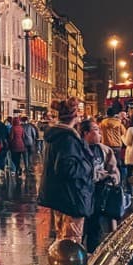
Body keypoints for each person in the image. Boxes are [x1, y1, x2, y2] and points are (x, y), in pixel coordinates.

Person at [38, 98, 94, 243]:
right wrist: (88, 165)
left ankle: (60, 264)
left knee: (62, 237)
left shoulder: (57, 135)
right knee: (71, 241)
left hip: (60, 195)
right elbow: (67, 168)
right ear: (75, 116)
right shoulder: (67, 139)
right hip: (71, 197)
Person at [81, 118, 120, 252]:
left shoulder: (105, 150)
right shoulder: (79, 151)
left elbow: (114, 170)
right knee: (80, 231)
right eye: (96, 130)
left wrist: (113, 177)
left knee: (95, 231)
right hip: (82, 198)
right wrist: (98, 175)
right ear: (86, 133)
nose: (100, 134)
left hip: (99, 197)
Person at [100, 108, 126, 174]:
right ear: (114, 114)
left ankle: (109, 178)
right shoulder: (119, 123)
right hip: (117, 145)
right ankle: (119, 179)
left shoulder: (102, 123)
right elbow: (124, 133)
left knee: (107, 163)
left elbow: (99, 132)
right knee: (118, 162)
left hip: (106, 145)